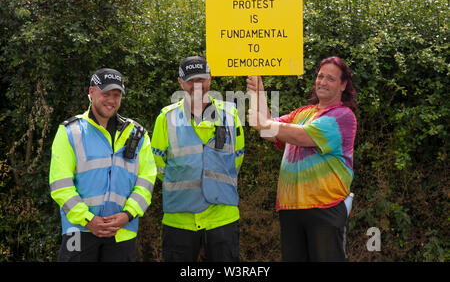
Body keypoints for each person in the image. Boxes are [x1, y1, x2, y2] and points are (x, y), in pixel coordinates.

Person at [247, 56, 357, 262]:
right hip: (291, 209)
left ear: (343, 85)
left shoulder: (343, 116)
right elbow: (268, 130)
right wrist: (257, 90)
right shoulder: (303, 113)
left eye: (330, 79)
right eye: (320, 76)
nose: (322, 82)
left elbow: (301, 135)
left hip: (325, 207)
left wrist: (263, 123)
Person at [49, 68, 156, 261]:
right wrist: (88, 220)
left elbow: (147, 180)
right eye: (106, 94)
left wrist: (128, 214)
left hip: (122, 230)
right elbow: (60, 185)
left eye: (116, 95)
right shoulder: (69, 131)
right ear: (91, 92)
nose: (111, 100)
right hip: (79, 230)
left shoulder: (137, 134)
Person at [151, 56, 245, 262]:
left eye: (201, 79)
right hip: (179, 218)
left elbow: (237, 158)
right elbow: (157, 165)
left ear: (210, 79)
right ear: (180, 82)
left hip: (222, 216)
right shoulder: (166, 118)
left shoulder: (230, 114)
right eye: (191, 81)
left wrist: (214, 182)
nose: (197, 85)